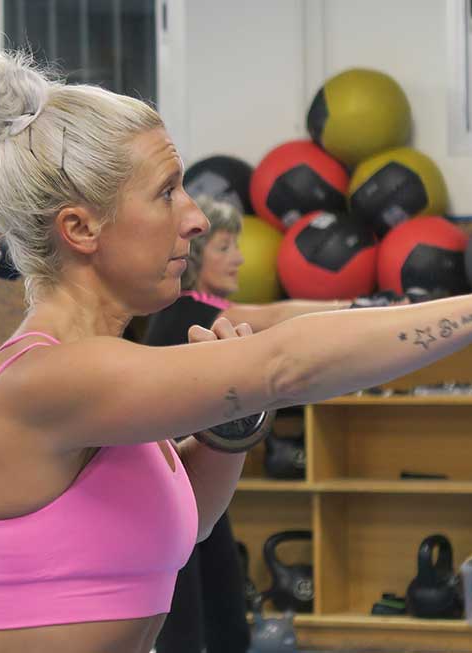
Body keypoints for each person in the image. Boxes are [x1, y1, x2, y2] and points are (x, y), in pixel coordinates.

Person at [0, 43, 472, 653]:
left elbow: (190, 521)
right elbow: (284, 361)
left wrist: (231, 431)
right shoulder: (47, 377)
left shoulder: (106, 381)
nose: (196, 218)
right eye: (168, 193)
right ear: (81, 227)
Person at [145, 194, 371, 653]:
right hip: (165, 489)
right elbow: (273, 319)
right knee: (184, 627)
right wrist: (361, 307)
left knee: (228, 617)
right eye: (225, 247)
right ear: (194, 255)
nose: (240, 258)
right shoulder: (186, 310)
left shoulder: (207, 310)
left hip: (199, 487)